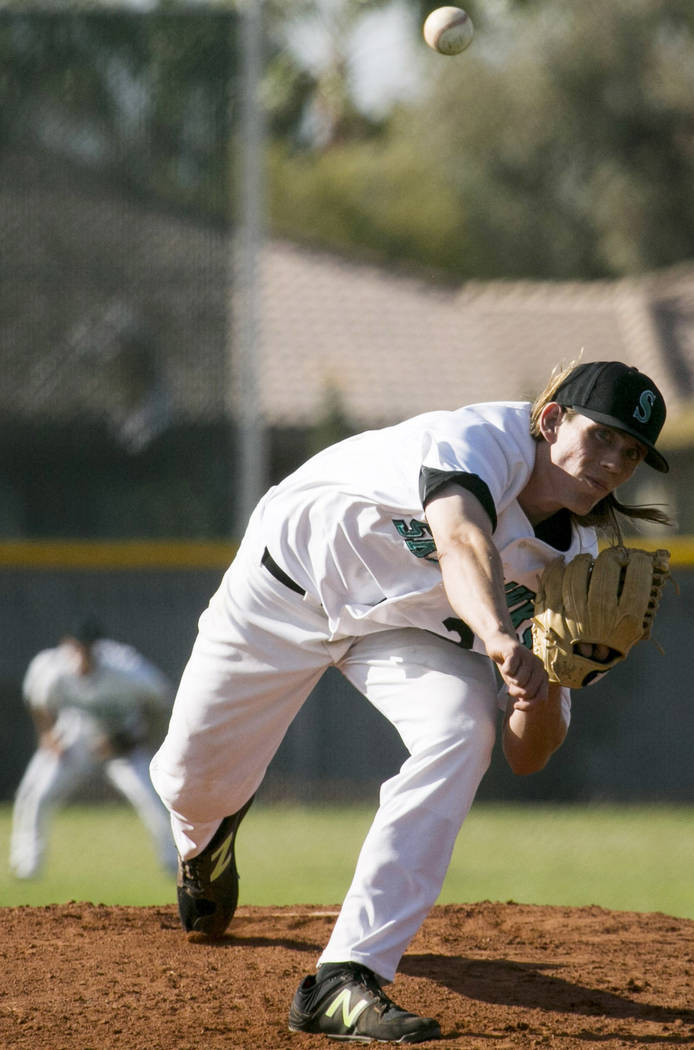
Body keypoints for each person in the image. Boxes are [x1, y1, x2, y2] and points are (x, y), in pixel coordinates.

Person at [150, 359, 670, 1044]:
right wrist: (498, 636)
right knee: (192, 785)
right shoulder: (480, 441)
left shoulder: (585, 557)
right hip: (289, 587)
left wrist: (551, 682)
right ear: (550, 421)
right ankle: (206, 841)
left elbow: (527, 755)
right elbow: (460, 538)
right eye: (602, 437)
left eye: (631, 453)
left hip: (410, 629)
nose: (613, 462)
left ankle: (344, 977)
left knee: (464, 732)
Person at [10, 618, 177, 880]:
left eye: (86, 649)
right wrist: (47, 736)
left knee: (153, 797)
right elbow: (37, 701)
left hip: (121, 739)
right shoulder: (52, 667)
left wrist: (127, 741)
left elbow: (161, 702)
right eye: (75, 648)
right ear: (67, 646)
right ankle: (26, 864)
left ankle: (173, 862)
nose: (81, 655)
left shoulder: (126, 668)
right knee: (35, 791)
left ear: (96, 648)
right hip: (76, 734)